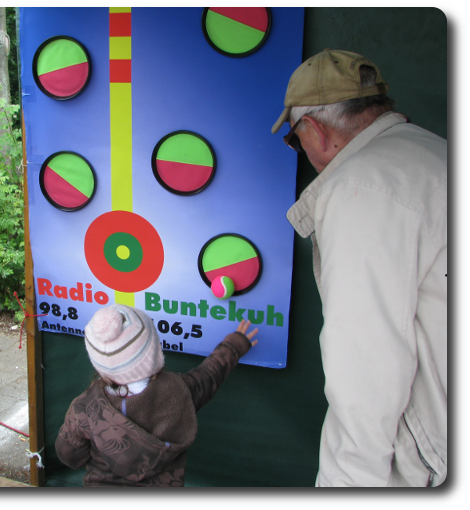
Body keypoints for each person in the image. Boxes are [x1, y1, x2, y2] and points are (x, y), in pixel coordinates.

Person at [272, 49, 447, 486]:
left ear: (313, 129)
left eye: (293, 139)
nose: (300, 149)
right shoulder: (431, 153)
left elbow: (366, 380)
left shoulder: (360, 191)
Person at [55, 304, 258, 486]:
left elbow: (69, 455)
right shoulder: (180, 391)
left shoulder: (83, 408)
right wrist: (234, 345)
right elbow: (210, 374)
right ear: (153, 351)